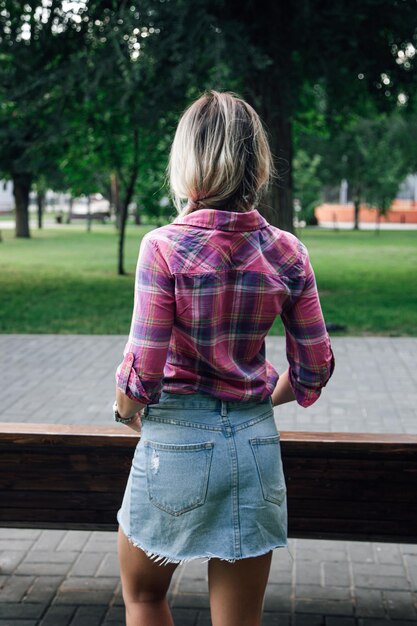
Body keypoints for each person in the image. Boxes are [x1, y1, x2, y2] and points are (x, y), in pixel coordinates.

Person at [114, 90, 334, 626]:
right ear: (256, 164)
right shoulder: (288, 252)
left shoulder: (162, 247)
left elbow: (141, 373)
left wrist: (124, 412)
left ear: (188, 161)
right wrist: (260, 406)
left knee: (143, 596)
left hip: (176, 448)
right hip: (256, 450)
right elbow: (315, 368)